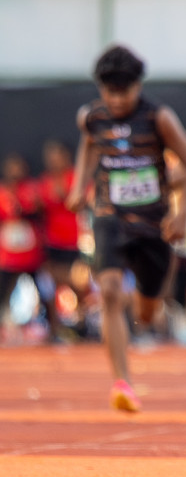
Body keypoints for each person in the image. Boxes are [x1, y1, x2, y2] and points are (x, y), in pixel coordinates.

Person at [66, 45, 186, 412]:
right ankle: (122, 383)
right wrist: (80, 185)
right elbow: (89, 147)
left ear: (138, 86)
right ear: (100, 89)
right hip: (110, 215)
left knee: (146, 311)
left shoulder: (159, 118)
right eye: (109, 91)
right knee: (108, 291)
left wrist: (183, 213)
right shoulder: (91, 117)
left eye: (124, 91)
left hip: (152, 223)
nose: (117, 99)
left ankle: (146, 311)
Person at [37, 140, 87, 339]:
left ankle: (83, 322)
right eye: (49, 157)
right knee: (50, 284)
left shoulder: (76, 178)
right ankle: (54, 327)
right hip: (52, 242)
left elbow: (83, 200)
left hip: (75, 241)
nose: (53, 160)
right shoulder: (44, 181)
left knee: (79, 283)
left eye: (56, 156)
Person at [0, 154, 47, 340]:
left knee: (43, 290)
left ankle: (49, 325)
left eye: (18, 167)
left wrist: (27, 210)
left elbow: (40, 213)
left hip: (32, 255)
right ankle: (4, 325)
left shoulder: (32, 189)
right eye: (11, 167)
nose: (15, 172)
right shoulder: (3, 192)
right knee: (3, 291)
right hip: (8, 255)